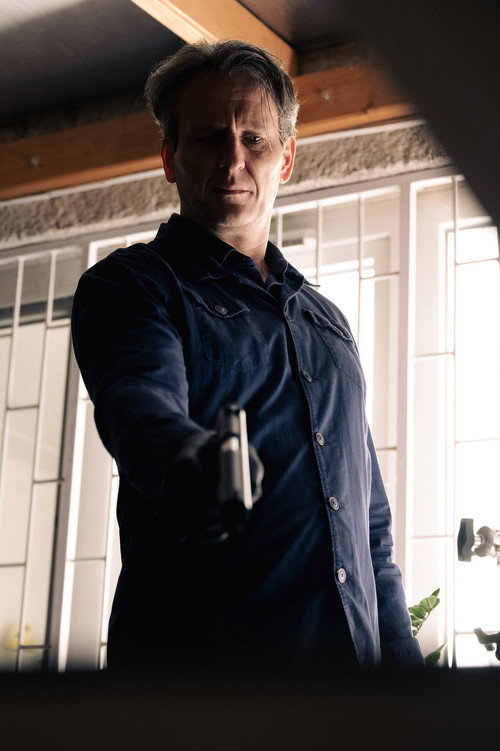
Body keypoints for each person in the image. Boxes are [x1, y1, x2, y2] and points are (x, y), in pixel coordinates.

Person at [71, 39, 424, 671]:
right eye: (208, 137)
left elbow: (368, 523)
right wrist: (189, 461)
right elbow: (139, 402)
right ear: (170, 158)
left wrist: (403, 675)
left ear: (286, 158)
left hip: (353, 693)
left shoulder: (327, 322)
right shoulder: (132, 285)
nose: (233, 159)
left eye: (254, 139)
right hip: (203, 688)